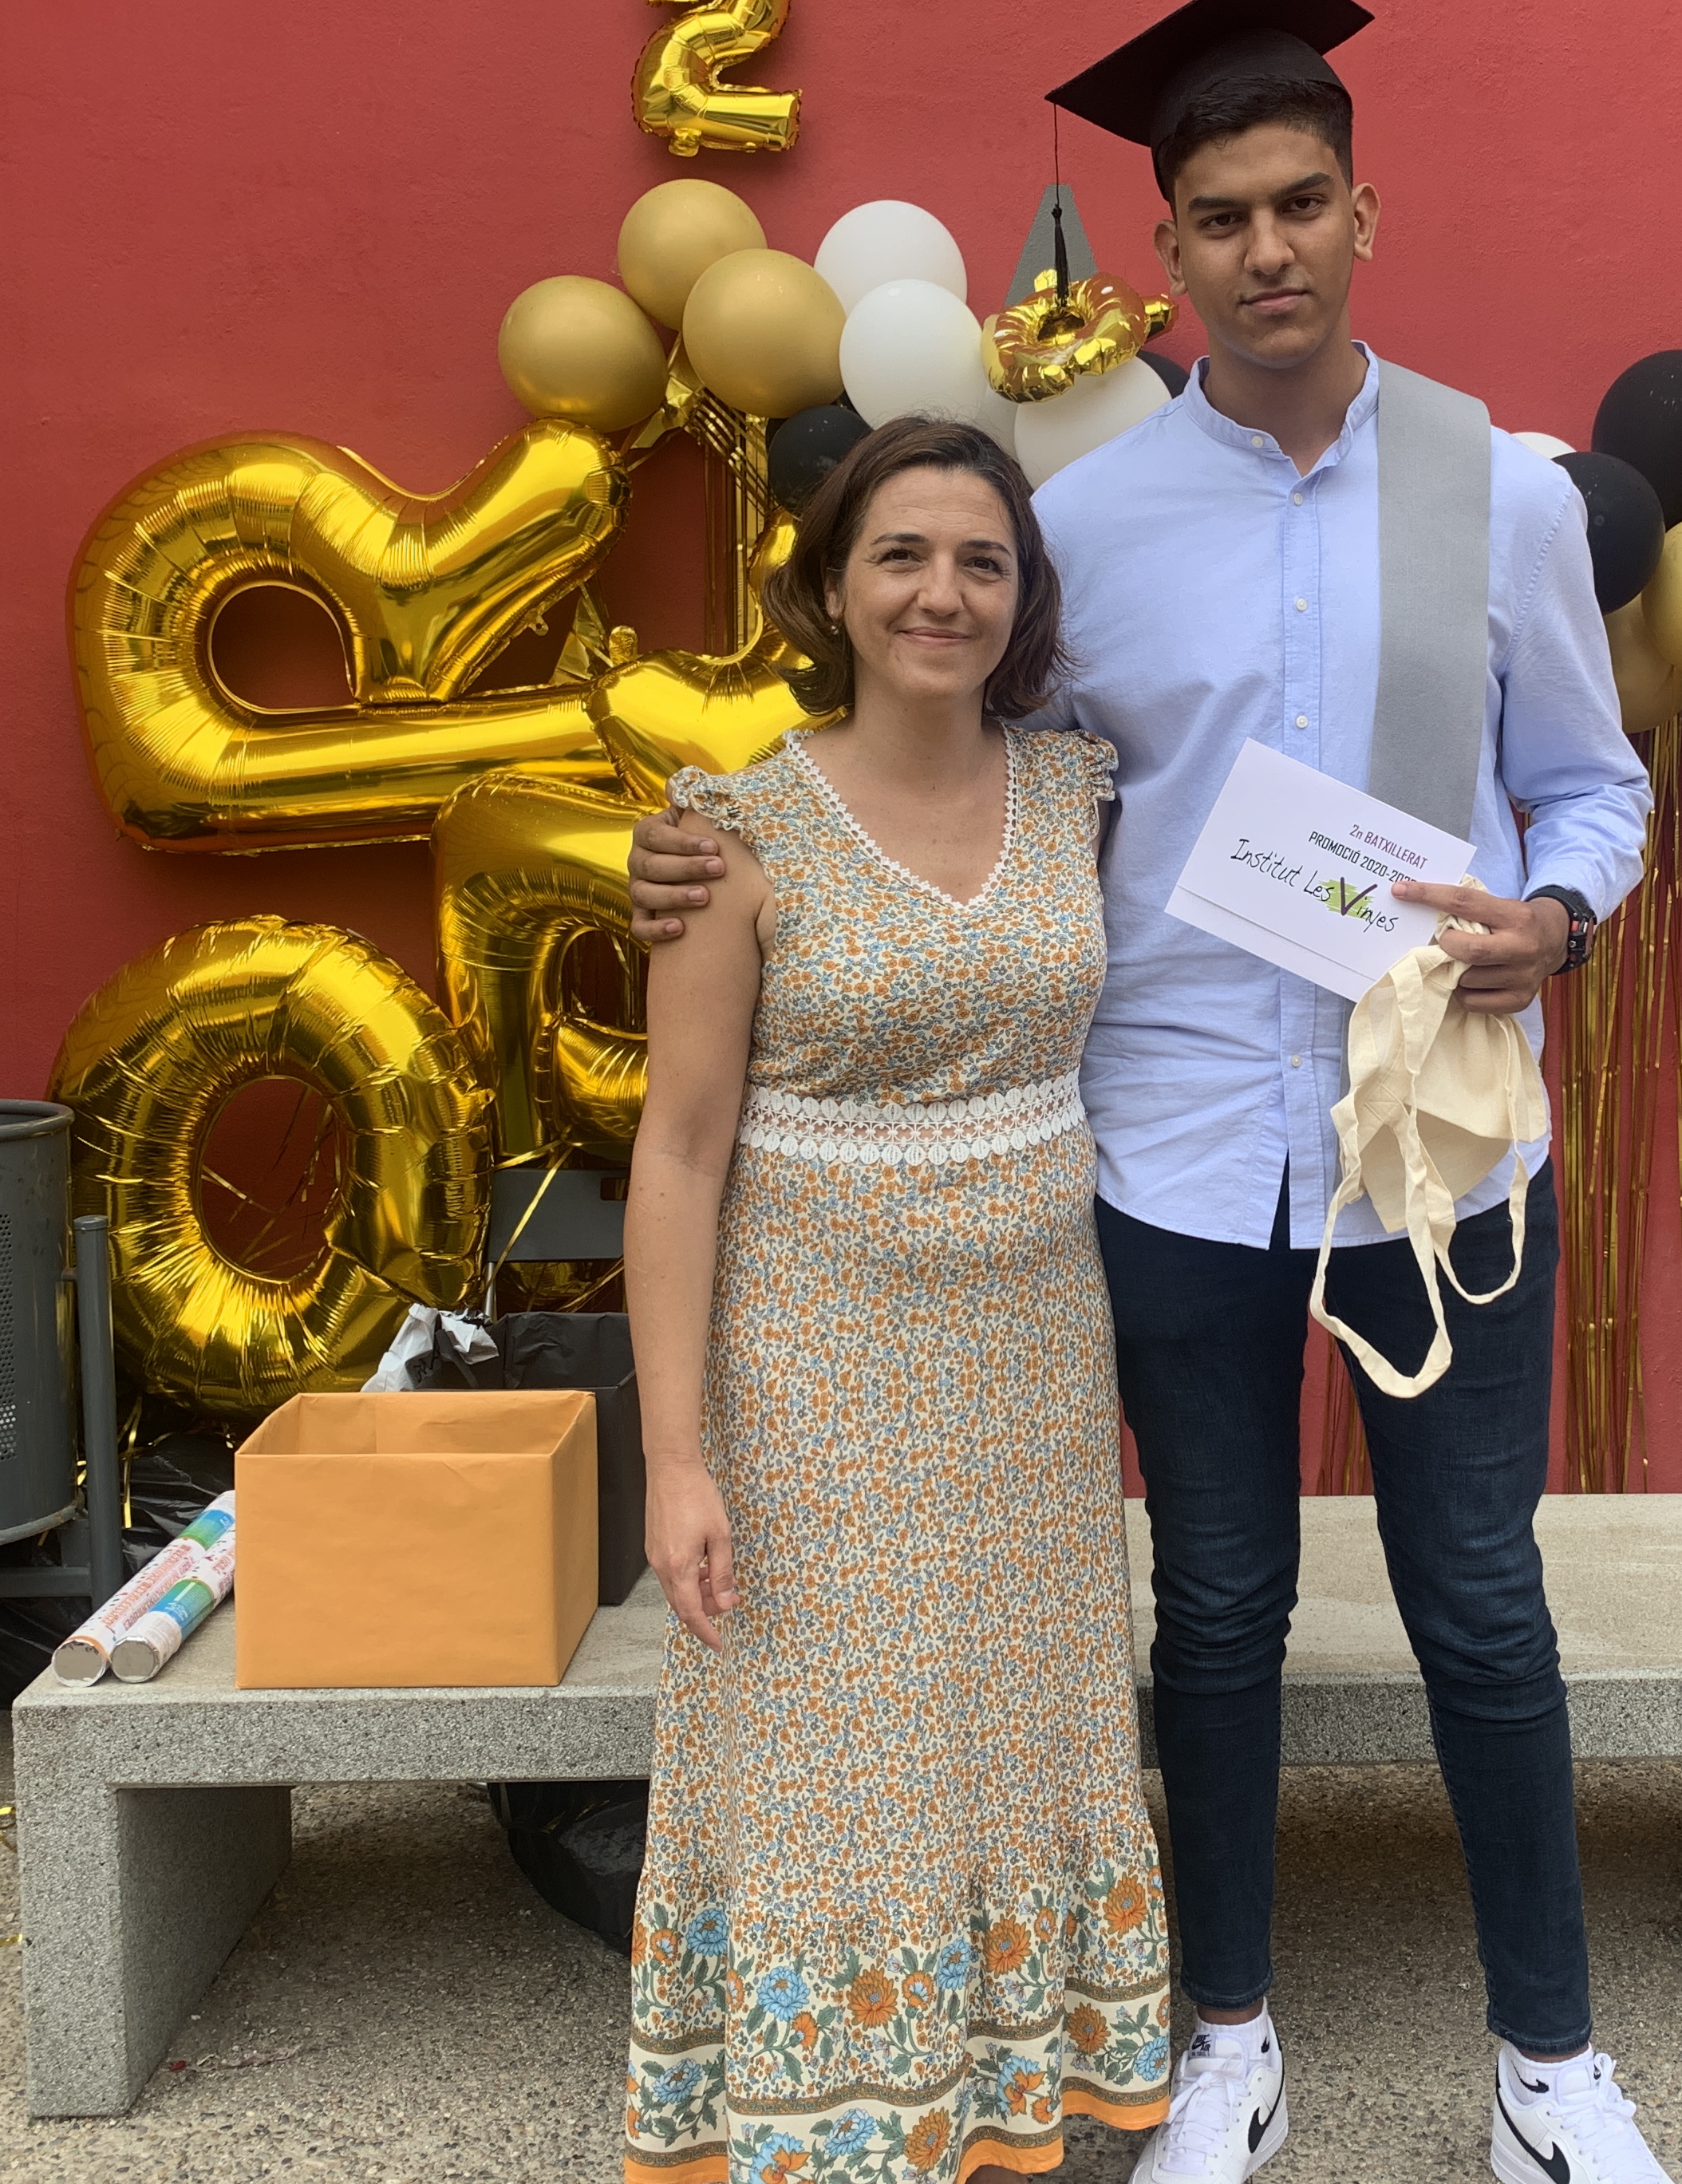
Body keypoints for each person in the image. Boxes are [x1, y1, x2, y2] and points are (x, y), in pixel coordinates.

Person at [633, 0, 1666, 2184]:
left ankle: (1551, 2070)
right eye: (1220, 218)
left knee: (1484, 1607)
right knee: (1215, 1610)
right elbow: (938, 766)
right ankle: (1226, 2045)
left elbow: (1594, 786)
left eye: (1301, 203)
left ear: (1363, 213)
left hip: (1437, 1150)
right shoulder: (1081, 528)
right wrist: (704, 849)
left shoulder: (1501, 493)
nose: (1266, 248)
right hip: (1178, 1152)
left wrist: (1561, 915)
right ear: (1166, 251)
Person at [618, 414, 1173, 2184]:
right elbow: (678, 1153)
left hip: (1031, 1363)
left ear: (1024, 598)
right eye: (903, 557)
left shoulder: (1083, 794)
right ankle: (831, 2125)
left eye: (982, 562)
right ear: (834, 589)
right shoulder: (732, 834)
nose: (943, 593)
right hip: (814, 1368)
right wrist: (676, 1460)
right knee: (829, 1746)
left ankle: (996, 2100)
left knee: (1014, 1727)